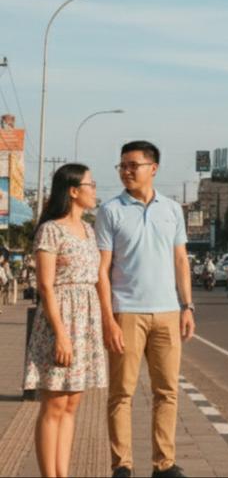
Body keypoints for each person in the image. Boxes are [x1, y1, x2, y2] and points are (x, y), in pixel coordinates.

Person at [96, 141, 192, 478]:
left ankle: (164, 465)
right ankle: (121, 465)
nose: (126, 171)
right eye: (122, 165)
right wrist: (108, 319)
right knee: (121, 393)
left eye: (132, 165)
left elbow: (180, 260)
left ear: (153, 168)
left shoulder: (172, 209)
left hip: (167, 312)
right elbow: (102, 270)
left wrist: (187, 306)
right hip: (127, 312)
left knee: (167, 391)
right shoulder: (110, 211)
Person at [23, 163, 107, 478]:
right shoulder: (51, 230)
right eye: (90, 184)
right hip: (60, 321)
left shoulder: (89, 230)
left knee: (72, 405)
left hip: (85, 323)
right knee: (54, 405)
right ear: (73, 191)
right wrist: (61, 334)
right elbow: (45, 286)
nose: (94, 190)